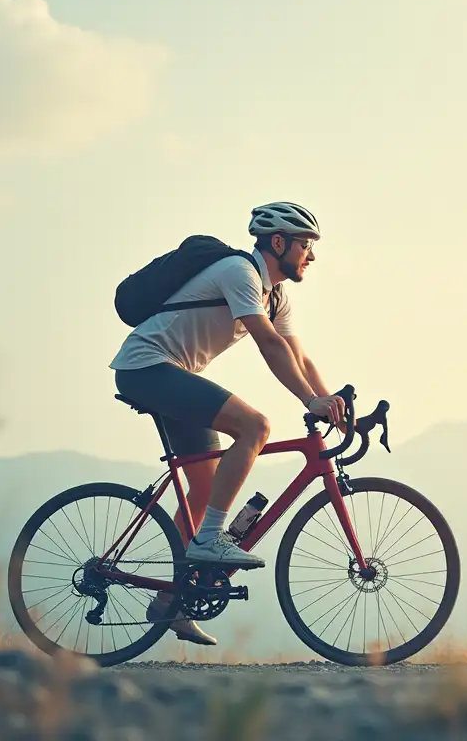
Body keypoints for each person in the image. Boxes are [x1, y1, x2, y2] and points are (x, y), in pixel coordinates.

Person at [108, 201, 346, 645]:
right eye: (305, 245)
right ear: (279, 243)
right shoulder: (241, 273)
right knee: (254, 427)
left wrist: (329, 400)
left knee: (205, 488)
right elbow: (269, 344)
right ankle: (209, 540)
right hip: (147, 366)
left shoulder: (276, 297)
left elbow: (299, 356)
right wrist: (309, 400)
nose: (311, 255)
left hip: (174, 372)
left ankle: (170, 602)